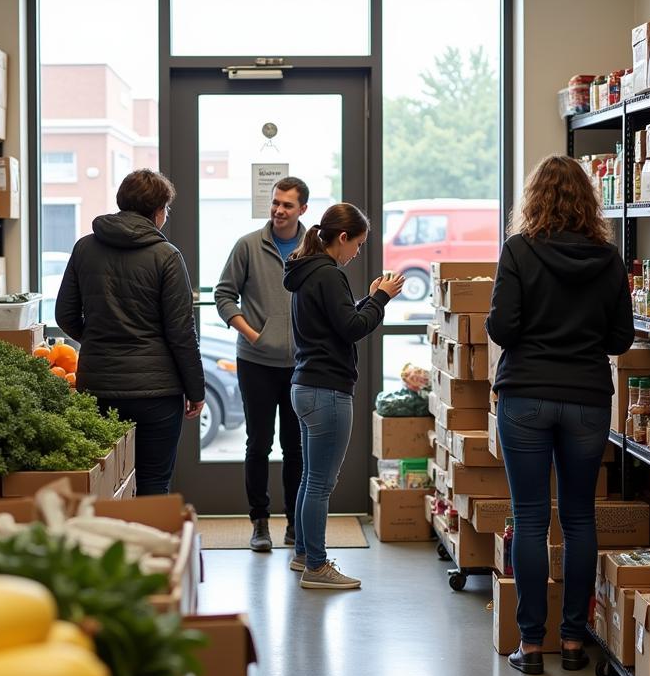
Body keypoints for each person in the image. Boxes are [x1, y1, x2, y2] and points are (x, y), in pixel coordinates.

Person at [486, 155, 634, 676]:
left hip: (526, 394)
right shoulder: (609, 259)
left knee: (530, 517)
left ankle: (531, 644)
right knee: (578, 518)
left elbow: (502, 328)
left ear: (533, 199)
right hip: (588, 398)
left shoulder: (519, 251)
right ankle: (574, 640)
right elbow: (621, 338)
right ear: (589, 201)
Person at [55, 168, 205, 496]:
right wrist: (196, 390)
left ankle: (113, 546)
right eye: (166, 209)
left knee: (102, 485)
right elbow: (182, 333)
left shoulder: (85, 248)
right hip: (157, 393)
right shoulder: (167, 256)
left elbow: (64, 314)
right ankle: (149, 548)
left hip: (98, 387)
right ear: (157, 211)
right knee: (153, 484)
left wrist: (96, 340)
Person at [283, 203, 404, 590]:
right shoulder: (330, 275)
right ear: (341, 238)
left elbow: (333, 323)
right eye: (358, 244)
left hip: (304, 385)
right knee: (320, 483)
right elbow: (352, 329)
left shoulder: (307, 272)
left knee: (310, 478)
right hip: (327, 390)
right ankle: (317, 567)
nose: (357, 253)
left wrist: (369, 298)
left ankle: (304, 553)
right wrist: (381, 299)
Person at [214, 177, 309, 552]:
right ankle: (260, 522)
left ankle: (293, 524)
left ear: (302, 209)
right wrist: (253, 334)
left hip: (300, 365)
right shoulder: (248, 246)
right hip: (255, 361)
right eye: (275, 203)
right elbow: (224, 295)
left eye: (287, 205)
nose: (279, 210)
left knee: (295, 447)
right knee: (258, 443)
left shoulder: (311, 248)